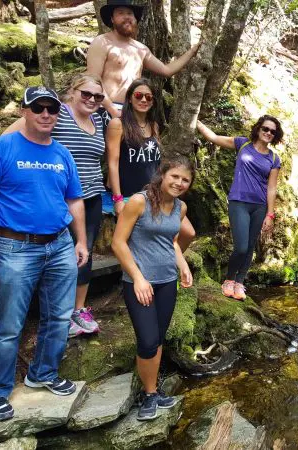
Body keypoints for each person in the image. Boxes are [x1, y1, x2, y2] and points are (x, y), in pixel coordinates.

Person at [0, 87, 87, 421]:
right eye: (39, 108)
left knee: (60, 317)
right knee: (9, 325)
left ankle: (43, 374)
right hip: (15, 246)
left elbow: (74, 200)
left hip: (60, 244)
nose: (46, 114)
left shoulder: (62, 153)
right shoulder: (0, 148)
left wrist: (81, 242)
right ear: (25, 110)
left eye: (52, 109)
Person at [3, 74, 106, 338]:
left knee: (85, 252)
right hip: (56, 198)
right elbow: (8, 138)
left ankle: (78, 310)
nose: (91, 100)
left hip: (91, 197)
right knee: (56, 255)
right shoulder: (56, 114)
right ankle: (53, 313)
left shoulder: (99, 120)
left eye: (98, 96)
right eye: (86, 94)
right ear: (72, 92)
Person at [111, 158, 194, 421]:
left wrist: (182, 265)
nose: (179, 183)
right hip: (140, 283)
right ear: (163, 175)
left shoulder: (180, 207)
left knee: (157, 339)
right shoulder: (139, 201)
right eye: (175, 177)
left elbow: (171, 241)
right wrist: (137, 277)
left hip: (167, 281)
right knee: (147, 341)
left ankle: (152, 390)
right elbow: (118, 243)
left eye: (185, 180)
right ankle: (148, 394)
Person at [195, 116, 282, 300]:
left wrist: (270, 214)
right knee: (241, 247)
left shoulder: (274, 158)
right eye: (265, 129)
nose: (268, 133)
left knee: (250, 247)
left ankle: (240, 283)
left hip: (259, 206)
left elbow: (272, 188)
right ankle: (228, 280)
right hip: (239, 202)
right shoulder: (242, 144)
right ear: (258, 129)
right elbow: (213, 138)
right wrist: (196, 121)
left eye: (272, 132)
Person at [106, 78, 194, 252]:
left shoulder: (153, 126)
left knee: (188, 233)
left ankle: (171, 264)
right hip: (129, 196)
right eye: (139, 95)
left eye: (149, 97)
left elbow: (157, 162)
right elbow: (113, 163)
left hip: (154, 194)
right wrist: (117, 199)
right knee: (135, 246)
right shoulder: (118, 125)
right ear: (130, 98)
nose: (144, 100)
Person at [86, 0, 198, 124]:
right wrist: (112, 110)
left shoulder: (141, 49)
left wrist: (193, 51)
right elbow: (93, 80)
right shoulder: (102, 42)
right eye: (120, 13)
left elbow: (167, 70)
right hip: (104, 108)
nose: (127, 17)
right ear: (112, 19)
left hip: (132, 112)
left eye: (130, 13)